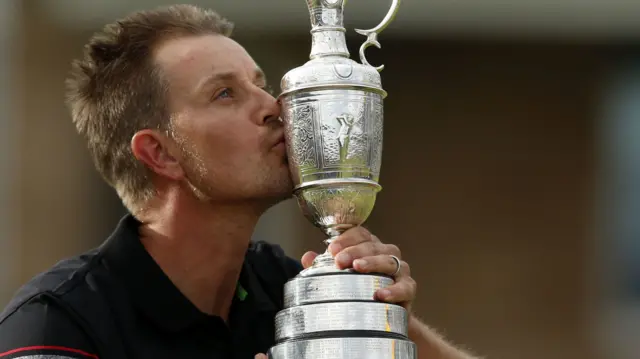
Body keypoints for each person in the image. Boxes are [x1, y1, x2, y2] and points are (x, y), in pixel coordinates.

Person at [0, 5, 479, 359]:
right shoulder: (58, 324)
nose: (275, 106)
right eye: (225, 94)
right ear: (160, 154)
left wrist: (385, 320)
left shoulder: (285, 285)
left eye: (260, 82)